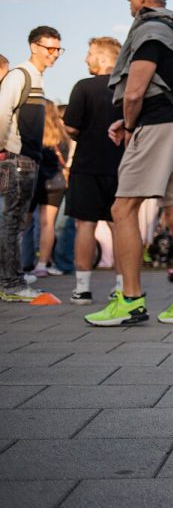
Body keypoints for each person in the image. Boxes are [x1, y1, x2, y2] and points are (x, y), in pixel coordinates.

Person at [85, 0, 173, 326]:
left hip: (156, 125)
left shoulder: (150, 30)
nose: (128, 0)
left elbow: (136, 89)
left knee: (123, 209)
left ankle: (130, 300)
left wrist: (127, 123)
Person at [0, 26, 62, 302]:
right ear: (34, 46)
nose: (55, 54)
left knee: (15, 220)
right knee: (12, 220)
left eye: (58, 49)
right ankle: (11, 283)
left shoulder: (35, 77)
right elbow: (1, 113)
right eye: (50, 48)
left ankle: (12, 279)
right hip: (16, 159)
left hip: (27, 159)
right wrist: (3, 149)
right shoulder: (21, 75)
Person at [64, 37, 125, 304]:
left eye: (90, 53)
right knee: (120, 226)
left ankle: (82, 289)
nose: (86, 58)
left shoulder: (83, 86)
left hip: (87, 165)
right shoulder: (127, 88)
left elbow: (71, 128)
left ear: (102, 58)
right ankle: (123, 287)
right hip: (121, 167)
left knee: (85, 225)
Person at [28, 99, 70, 277]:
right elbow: (65, 160)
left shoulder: (34, 131)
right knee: (48, 225)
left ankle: (21, 262)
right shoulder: (62, 135)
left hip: (35, 180)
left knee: (25, 223)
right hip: (56, 183)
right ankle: (43, 264)